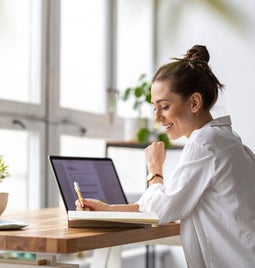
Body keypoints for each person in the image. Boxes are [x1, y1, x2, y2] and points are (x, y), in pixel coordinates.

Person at [76, 45, 255, 268]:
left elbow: (160, 210)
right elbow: (170, 201)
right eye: (154, 108)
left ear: (194, 103)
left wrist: (154, 170)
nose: (158, 118)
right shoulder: (225, 139)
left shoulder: (205, 144)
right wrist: (109, 210)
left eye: (164, 106)